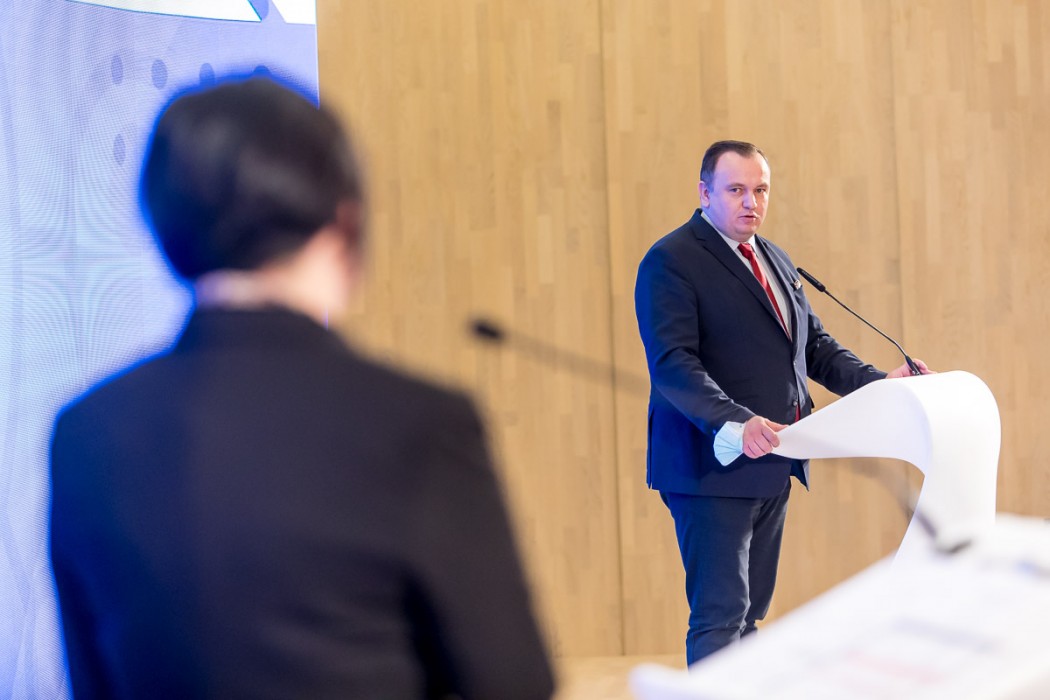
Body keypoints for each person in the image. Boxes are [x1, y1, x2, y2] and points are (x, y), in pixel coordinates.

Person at [49, 77, 554, 700]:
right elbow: (513, 681)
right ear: (345, 222)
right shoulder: (419, 424)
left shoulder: (86, 433)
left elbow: (92, 682)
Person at [634, 140, 928, 665]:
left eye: (761, 190)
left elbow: (815, 349)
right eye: (736, 190)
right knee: (721, 614)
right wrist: (737, 420)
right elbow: (674, 364)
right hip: (710, 466)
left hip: (774, 459)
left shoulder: (774, 257)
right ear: (704, 193)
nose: (751, 202)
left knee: (751, 614)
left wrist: (883, 383)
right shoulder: (671, 260)